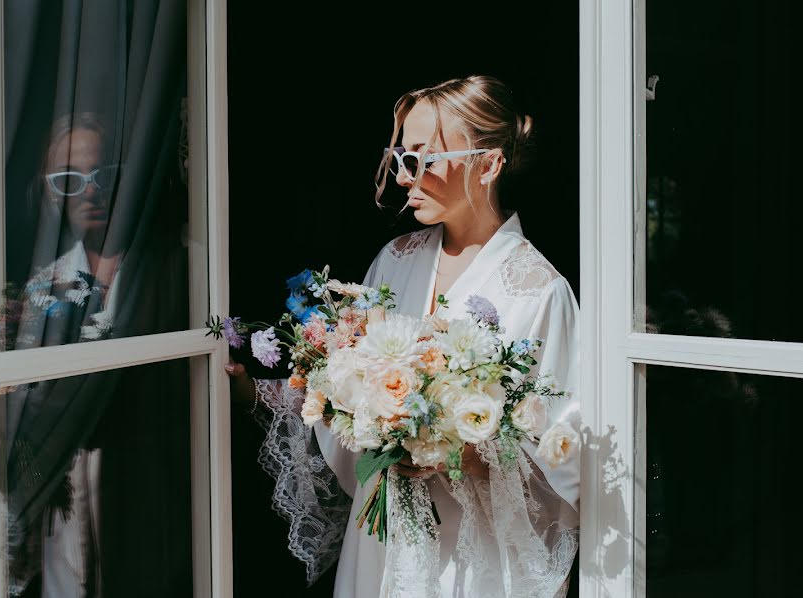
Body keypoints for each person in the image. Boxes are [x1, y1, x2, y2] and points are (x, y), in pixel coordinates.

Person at [226, 75, 581, 597]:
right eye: (400, 158)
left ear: (489, 164)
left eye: (424, 159)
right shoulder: (395, 261)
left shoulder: (540, 291)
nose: (403, 177)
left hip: (471, 552)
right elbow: (342, 394)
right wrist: (277, 396)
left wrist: (458, 452)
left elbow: (563, 453)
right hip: (383, 535)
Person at [7, 112, 192, 597]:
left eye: (103, 176)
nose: (89, 191)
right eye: (69, 180)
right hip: (69, 487)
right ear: (49, 193)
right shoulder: (43, 286)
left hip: (149, 479)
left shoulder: (172, 269)